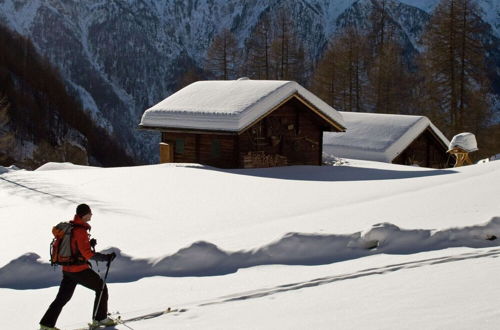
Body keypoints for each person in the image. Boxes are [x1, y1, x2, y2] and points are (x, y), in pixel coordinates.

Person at [39, 204, 117, 330]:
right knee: (101, 287)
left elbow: (76, 247)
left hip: (68, 270)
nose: (91, 215)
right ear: (85, 214)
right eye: (90, 213)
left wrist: (88, 243)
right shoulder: (80, 231)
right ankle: (100, 318)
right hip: (79, 270)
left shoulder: (71, 227)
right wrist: (105, 258)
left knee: (62, 298)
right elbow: (87, 254)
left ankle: (46, 325)